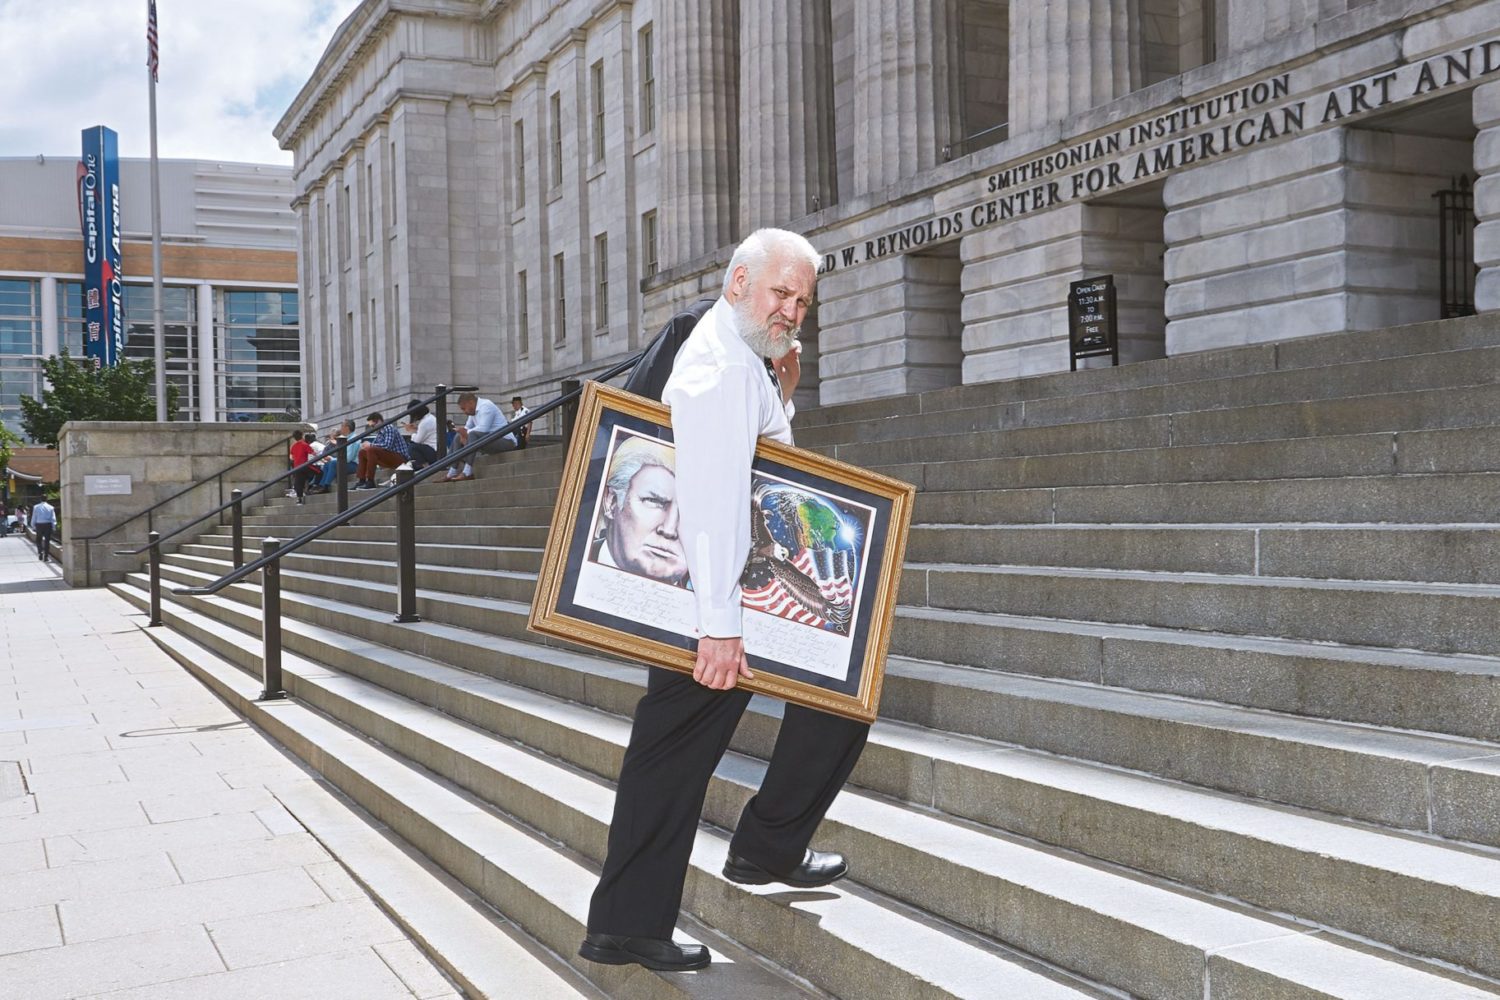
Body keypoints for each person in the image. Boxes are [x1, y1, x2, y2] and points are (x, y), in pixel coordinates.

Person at [581, 229, 867, 973]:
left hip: (723, 588)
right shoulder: (722, 369)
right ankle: (655, 909)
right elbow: (711, 500)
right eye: (780, 293)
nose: (791, 311)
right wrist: (719, 628)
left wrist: (782, 393)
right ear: (739, 282)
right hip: (716, 594)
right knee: (685, 747)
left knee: (829, 695)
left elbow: (756, 461)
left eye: (802, 301)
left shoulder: (738, 356)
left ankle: (748, 857)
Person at [590, 437, 687, 586]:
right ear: (612, 501)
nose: (669, 530)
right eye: (653, 501)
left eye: (689, 513)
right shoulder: (567, 565)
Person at [444, 392, 516, 482]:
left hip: (506, 441)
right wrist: (462, 433)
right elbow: (467, 428)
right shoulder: (473, 412)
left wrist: (465, 433)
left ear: (471, 402)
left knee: (473, 434)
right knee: (458, 436)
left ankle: (467, 472)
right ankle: (452, 472)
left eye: (464, 408)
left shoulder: (486, 406)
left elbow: (483, 429)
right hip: (490, 440)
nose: (464, 412)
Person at [353, 412, 410, 490]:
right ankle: (362, 480)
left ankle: (370, 481)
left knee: (371, 449)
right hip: (390, 457)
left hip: (401, 459)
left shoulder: (388, 427)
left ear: (379, 421)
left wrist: (370, 445)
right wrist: (366, 446)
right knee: (362, 452)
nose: (373, 428)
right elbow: (374, 446)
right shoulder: (380, 432)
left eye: (373, 426)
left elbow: (387, 445)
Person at [405, 400, 439, 470]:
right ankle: (421, 465)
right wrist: (415, 429)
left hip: (434, 452)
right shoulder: (430, 418)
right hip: (436, 450)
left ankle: (426, 467)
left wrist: (411, 431)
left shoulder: (424, 423)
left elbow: (417, 441)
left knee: (412, 447)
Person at [289, 431, 317, 505]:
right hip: (305, 465)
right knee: (320, 472)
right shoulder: (304, 444)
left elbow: (291, 458)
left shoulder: (293, 446)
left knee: (299, 482)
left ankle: (299, 499)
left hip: (297, 467)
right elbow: (313, 453)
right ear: (302, 436)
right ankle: (314, 486)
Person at [30, 498, 57, 562]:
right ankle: (46, 556)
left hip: (39, 524)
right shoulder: (51, 507)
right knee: (47, 541)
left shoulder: (36, 507)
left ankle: (40, 552)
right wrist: (54, 526)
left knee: (38, 539)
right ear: (47, 499)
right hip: (48, 524)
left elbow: (34, 516)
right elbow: (53, 518)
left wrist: (33, 525)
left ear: (40, 499)